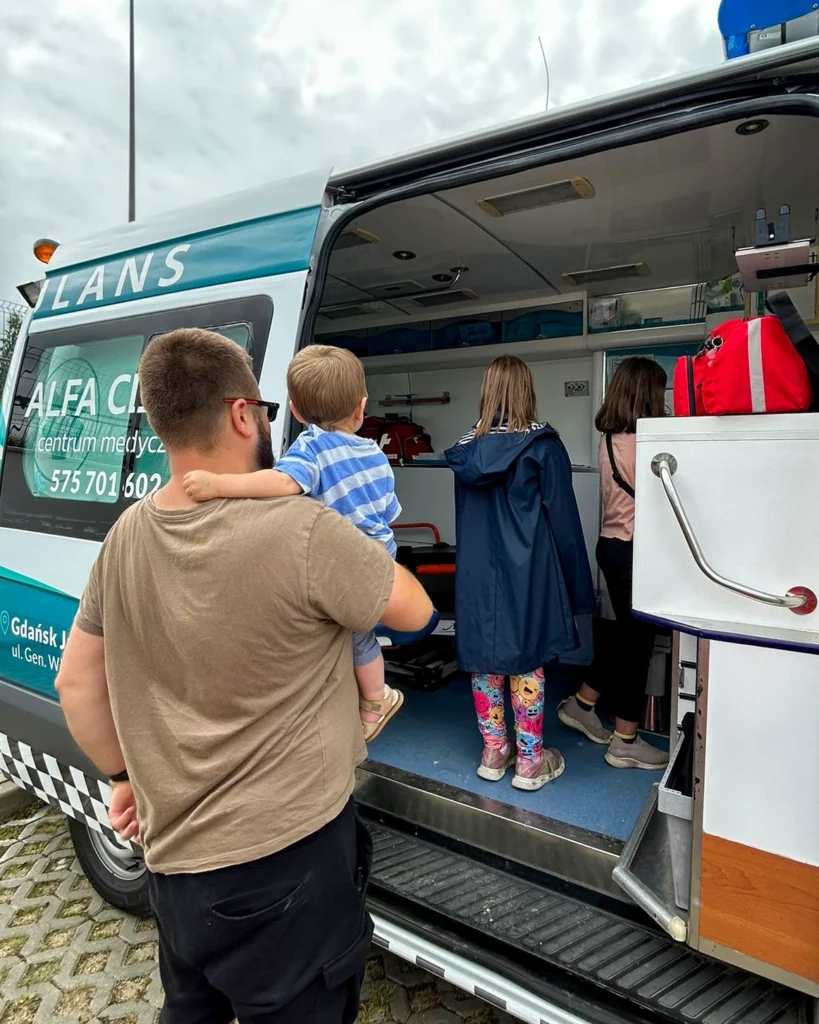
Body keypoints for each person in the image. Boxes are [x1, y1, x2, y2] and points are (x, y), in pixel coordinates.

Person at [55, 328, 433, 1024]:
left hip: (174, 872)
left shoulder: (126, 535)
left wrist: (122, 779)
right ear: (239, 414)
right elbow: (416, 610)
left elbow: (75, 684)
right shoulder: (303, 530)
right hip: (286, 868)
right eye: (263, 410)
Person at [182, 344, 403, 741]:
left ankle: (376, 699)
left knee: (336, 635)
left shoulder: (312, 447)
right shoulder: (375, 454)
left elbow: (283, 482)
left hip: (343, 565)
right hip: (380, 559)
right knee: (358, 636)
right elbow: (388, 512)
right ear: (361, 408)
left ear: (296, 412)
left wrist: (218, 485)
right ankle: (371, 697)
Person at [445, 356, 595, 791]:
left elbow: (465, 518)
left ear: (487, 393)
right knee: (527, 660)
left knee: (484, 658)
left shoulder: (466, 452)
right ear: (527, 392)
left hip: (477, 574)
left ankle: (494, 751)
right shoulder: (543, 447)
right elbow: (564, 524)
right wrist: (579, 590)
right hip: (530, 573)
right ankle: (529, 762)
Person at [558, 356, 669, 770]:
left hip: (611, 545)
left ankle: (582, 704)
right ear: (648, 394)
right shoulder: (646, 445)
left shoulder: (609, 439)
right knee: (637, 648)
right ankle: (625, 740)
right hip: (636, 552)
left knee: (625, 637)